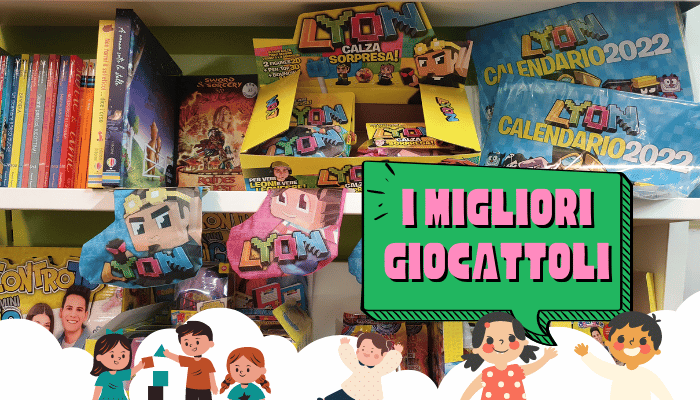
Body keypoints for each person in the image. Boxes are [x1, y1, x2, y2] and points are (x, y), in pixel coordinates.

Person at [575, 312, 673, 399]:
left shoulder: (610, 346)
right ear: (592, 338)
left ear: (600, 335)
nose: (597, 337)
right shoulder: (592, 351)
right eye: (594, 336)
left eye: (597, 335)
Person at [460, 312, 557, 400]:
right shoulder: (486, 373)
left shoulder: (515, 370)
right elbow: (470, 391)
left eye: (511, 339)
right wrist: (545, 358)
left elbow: (533, 367)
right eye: (490, 341)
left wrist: (546, 358)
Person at [319, 332, 403, 400]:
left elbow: (390, 364)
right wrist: (345, 346)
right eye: (363, 349)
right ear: (357, 351)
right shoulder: (357, 365)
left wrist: (396, 353)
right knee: (340, 395)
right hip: (352, 390)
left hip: (369, 396)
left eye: (372, 351)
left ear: (383, 355)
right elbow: (348, 358)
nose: (366, 353)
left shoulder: (378, 369)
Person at [163, 320, 217, 400]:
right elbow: (177, 358)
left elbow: (211, 374)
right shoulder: (189, 361)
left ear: (210, 343)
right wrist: (168, 354)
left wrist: (213, 386)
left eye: (197, 342)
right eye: (186, 343)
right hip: (191, 389)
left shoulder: (207, 362)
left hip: (205, 388)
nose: (192, 346)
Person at [91, 330, 145, 400]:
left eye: (123, 356)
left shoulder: (120, 374)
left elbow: (137, 367)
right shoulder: (104, 376)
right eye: (112, 356)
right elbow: (97, 391)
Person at [58, 285, 91, 349]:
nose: (73, 315)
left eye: (79, 310)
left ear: (85, 315)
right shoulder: (54, 342)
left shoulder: (94, 345)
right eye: (69, 308)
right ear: (61, 312)